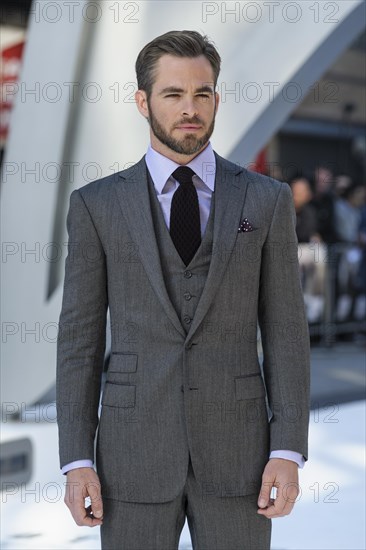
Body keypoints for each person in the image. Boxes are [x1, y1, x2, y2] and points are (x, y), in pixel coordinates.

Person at [57, 30, 310, 550]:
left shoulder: (266, 200)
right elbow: (79, 340)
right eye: (173, 94)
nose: (189, 108)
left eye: (202, 93)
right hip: (131, 456)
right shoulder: (96, 206)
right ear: (143, 102)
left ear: (217, 99)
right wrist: (77, 459)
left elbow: (286, 331)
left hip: (241, 457)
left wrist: (288, 447)